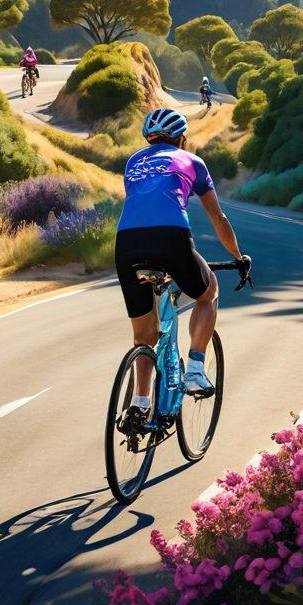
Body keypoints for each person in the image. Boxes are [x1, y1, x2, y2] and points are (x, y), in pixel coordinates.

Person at [115, 107, 250, 426]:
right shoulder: (193, 162)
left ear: (148, 138)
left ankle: (139, 404)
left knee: (143, 337)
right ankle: (195, 371)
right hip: (170, 238)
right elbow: (218, 218)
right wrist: (238, 256)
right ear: (181, 138)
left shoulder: (133, 162)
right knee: (208, 293)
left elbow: (144, 205)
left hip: (126, 243)